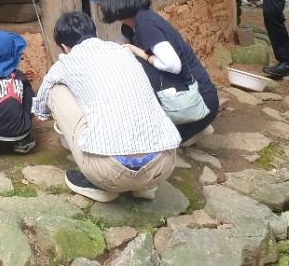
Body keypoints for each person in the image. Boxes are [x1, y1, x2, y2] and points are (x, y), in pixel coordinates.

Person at [33, 11, 180, 203]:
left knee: (56, 90)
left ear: (65, 47)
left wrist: (55, 119)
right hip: (162, 167)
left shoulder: (67, 61)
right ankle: (143, 187)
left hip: (108, 174)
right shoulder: (123, 52)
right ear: (94, 33)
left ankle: (100, 185)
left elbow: (41, 106)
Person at [79, 0, 219, 144]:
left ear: (114, 0)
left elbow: (173, 65)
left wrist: (136, 51)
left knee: (140, 143)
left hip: (198, 102)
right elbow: (115, 53)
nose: (98, 4)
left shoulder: (146, 24)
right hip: (182, 99)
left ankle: (192, 128)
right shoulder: (130, 25)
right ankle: (189, 131)